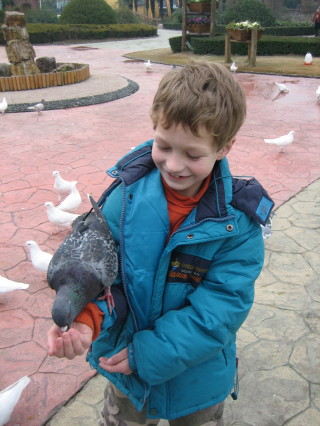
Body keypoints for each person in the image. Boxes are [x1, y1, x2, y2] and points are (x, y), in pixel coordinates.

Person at [47, 62, 274, 426]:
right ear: (153, 128)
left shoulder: (238, 224)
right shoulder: (122, 200)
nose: (173, 164)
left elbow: (221, 310)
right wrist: (86, 319)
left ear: (224, 147)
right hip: (125, 373)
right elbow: (107, 280)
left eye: (192, 154)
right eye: (163, 145)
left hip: (197, 381)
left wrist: (147, 354)